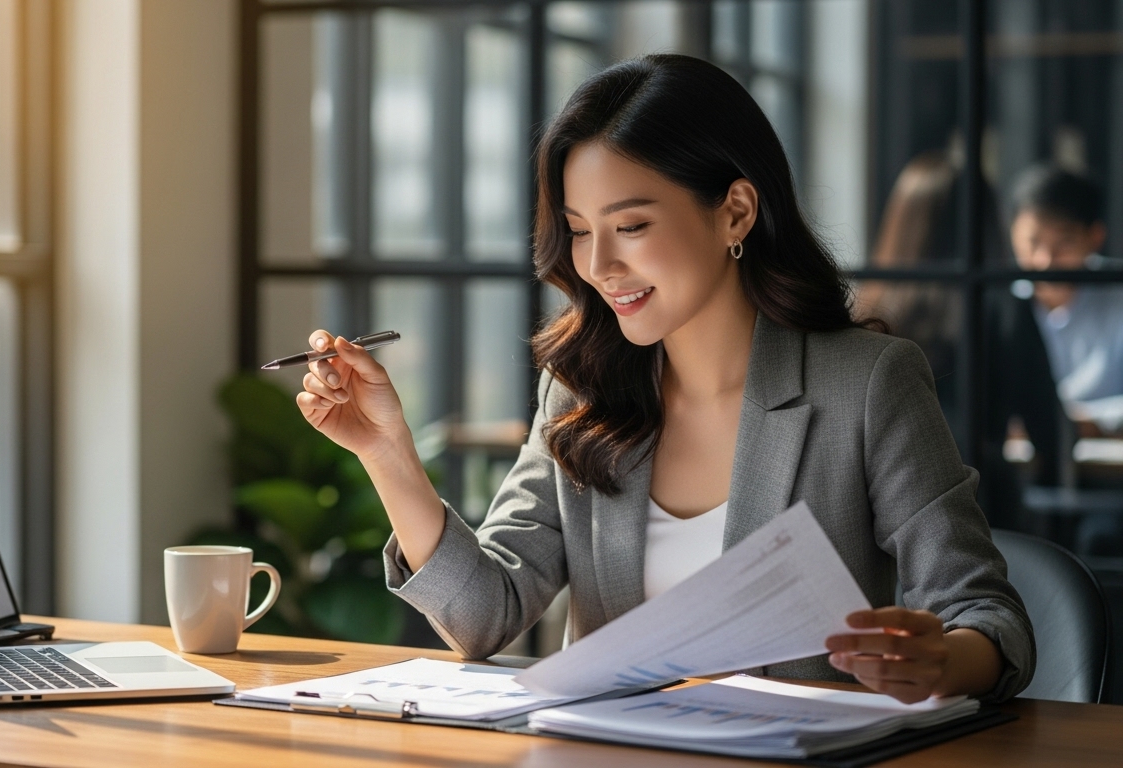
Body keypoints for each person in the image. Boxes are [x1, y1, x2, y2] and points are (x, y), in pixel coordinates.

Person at [295, 55, 1033, 704]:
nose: (599, 265)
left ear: (735, 213)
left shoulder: (865, 384)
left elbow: (985, 615)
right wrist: (385, 451)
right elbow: (484, 616)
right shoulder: (581, 389)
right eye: (579, 230)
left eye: (632, 226)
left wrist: (940, 660)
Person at [862, 152, 1068, 529]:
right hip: (980, 509)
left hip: (876, 509)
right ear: (987, 226)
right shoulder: (1004, 311)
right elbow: (1051, 433)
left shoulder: (867, 315)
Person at [1010, 166, 1123, 436]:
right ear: (1013, 233)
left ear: (1095, 237)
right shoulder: (998, 300)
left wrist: (1090, 423)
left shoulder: (1117, 292)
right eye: (1033, 242)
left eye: (1064, 243)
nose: (1045, 261)